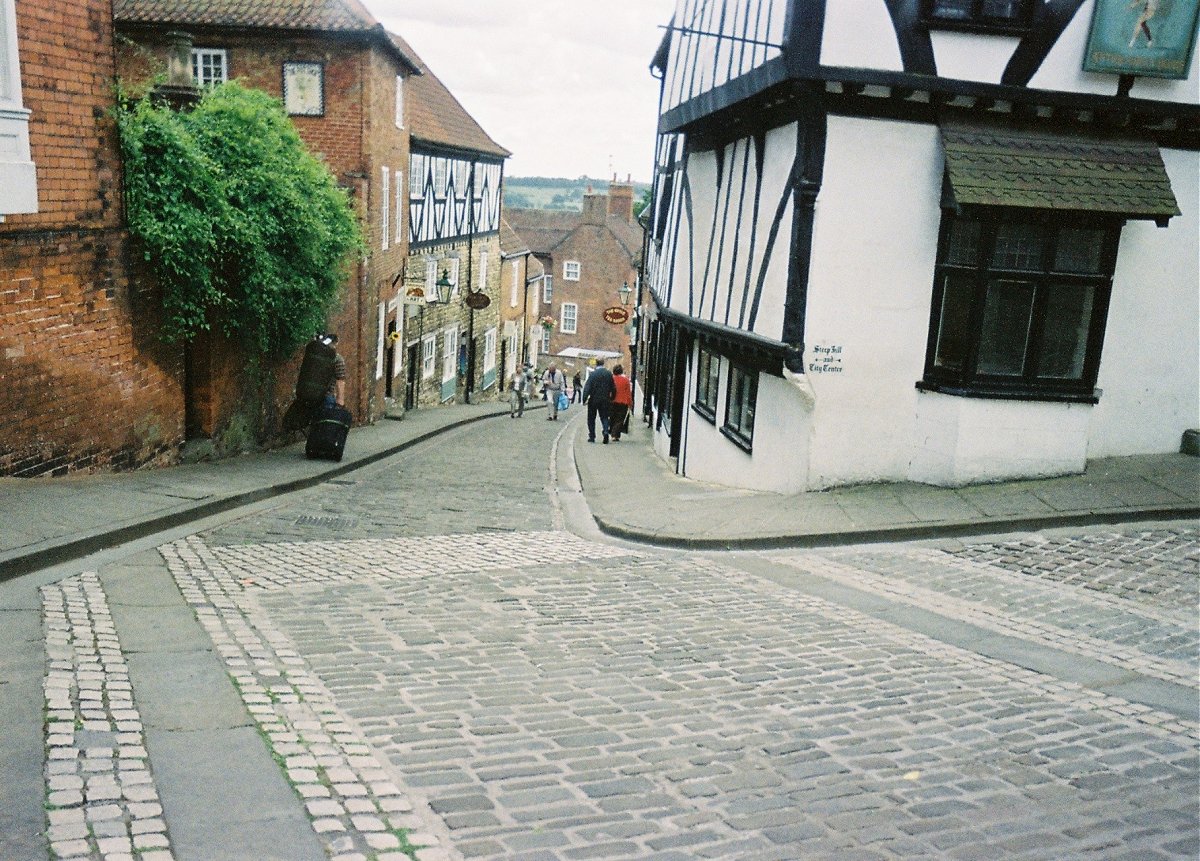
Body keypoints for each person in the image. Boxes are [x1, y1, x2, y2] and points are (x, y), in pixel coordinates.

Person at [581, 357, 616, 443]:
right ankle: (605, 431)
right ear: (603, 363)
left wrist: (584, 399)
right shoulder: (608, 374)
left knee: (591, 418)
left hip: (593, 399)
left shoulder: (593, 374)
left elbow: (587, 387)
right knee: (604, 417)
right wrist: (612, 398)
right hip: (605, 399)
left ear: (596, 363)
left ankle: (592, 436)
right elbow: (613, 387)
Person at [609, 364, 632, 441]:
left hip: (612, 401)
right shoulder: (626, 380)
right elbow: (628, 393)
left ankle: (615, 435)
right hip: (623, 402)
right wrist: (630, 403)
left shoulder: (611, 379)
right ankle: (615, 434)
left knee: (613, 417)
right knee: (620, 419)